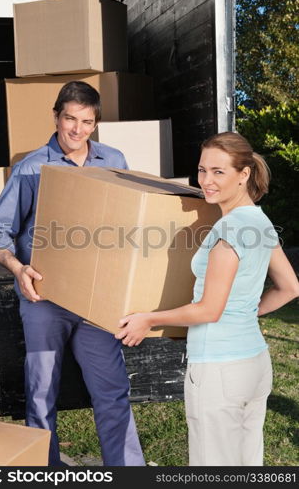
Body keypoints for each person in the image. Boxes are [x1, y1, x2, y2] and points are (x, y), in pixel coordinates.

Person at [0, 81, 145, 466]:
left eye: (86, 121)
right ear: (56, 117)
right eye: (70, 118)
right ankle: (46, 471)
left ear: (96, 123)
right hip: (45, 299)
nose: (77, 129)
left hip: (96, 301)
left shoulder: (115, 161)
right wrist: (18, 269)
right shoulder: (31, 168)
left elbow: (130, 223)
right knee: (41, 394)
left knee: (112, 390)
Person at [115, 131, 299, 466]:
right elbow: (290, 288)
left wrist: (149, 319)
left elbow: (209, 311)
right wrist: (244, 313)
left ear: (244, 175)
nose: (206, 181)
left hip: (219, 370)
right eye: (202, 170)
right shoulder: (260, 221)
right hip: (254, 363)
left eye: (218, 172)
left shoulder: (228, 232)